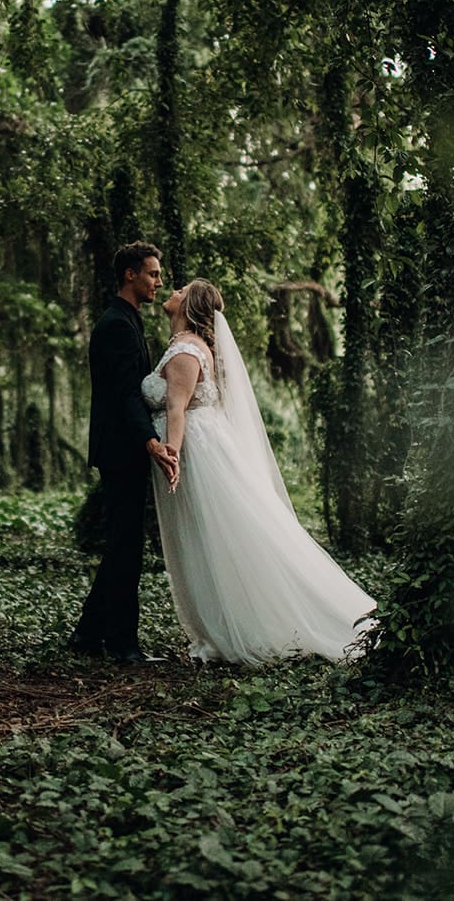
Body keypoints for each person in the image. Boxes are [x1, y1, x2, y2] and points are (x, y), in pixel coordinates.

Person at [143, 279, 376, 664]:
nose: (173, 290)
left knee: (214, 538)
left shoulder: (185, 350)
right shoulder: (189, 347)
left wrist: (172, 455)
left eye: (181, 290)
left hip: (198, 454)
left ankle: (242, 627)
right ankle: (222, 623)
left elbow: (176, 410)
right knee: (212, 538)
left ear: (190, 305)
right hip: (205, 444)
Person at [69, 242, 180, 664]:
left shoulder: (127, 319)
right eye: (152, 274)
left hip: (123, 448)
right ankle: (122, 644)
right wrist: (150, 442)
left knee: (122, 544)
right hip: (122, 449)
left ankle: (88, 633)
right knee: (125, 547)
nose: (158, 281)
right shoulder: (116, 324)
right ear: (130, 275)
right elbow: (123, 394)